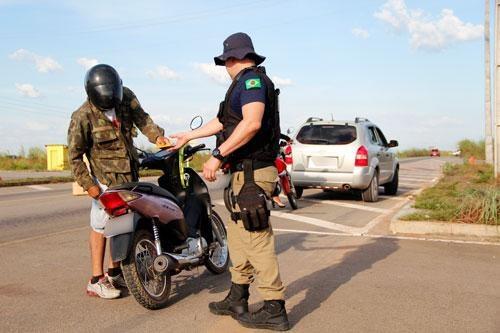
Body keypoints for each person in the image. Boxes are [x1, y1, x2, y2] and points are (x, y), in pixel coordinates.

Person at [170, 32, 289, 331]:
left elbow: (252, 123)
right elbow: (224, 121)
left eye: (225, 61)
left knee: (256, 239)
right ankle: (238, 296)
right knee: (239, 238)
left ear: (231, 59)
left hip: (252, 173)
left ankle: (274, 307)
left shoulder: (252, 82)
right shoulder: (240, 87)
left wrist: (218, 155)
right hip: (241, 174)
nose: (225, 66)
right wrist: (188, 135)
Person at [68, 64, 170, 299]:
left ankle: (116, 272)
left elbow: (143, 119)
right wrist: (90, 186)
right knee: (101, 226)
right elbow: (74, 156)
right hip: (104, 181)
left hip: (130, 177)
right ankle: (96, 279)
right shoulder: (82, 116)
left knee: (123, 224)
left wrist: (157, 136)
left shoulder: (126, 98)